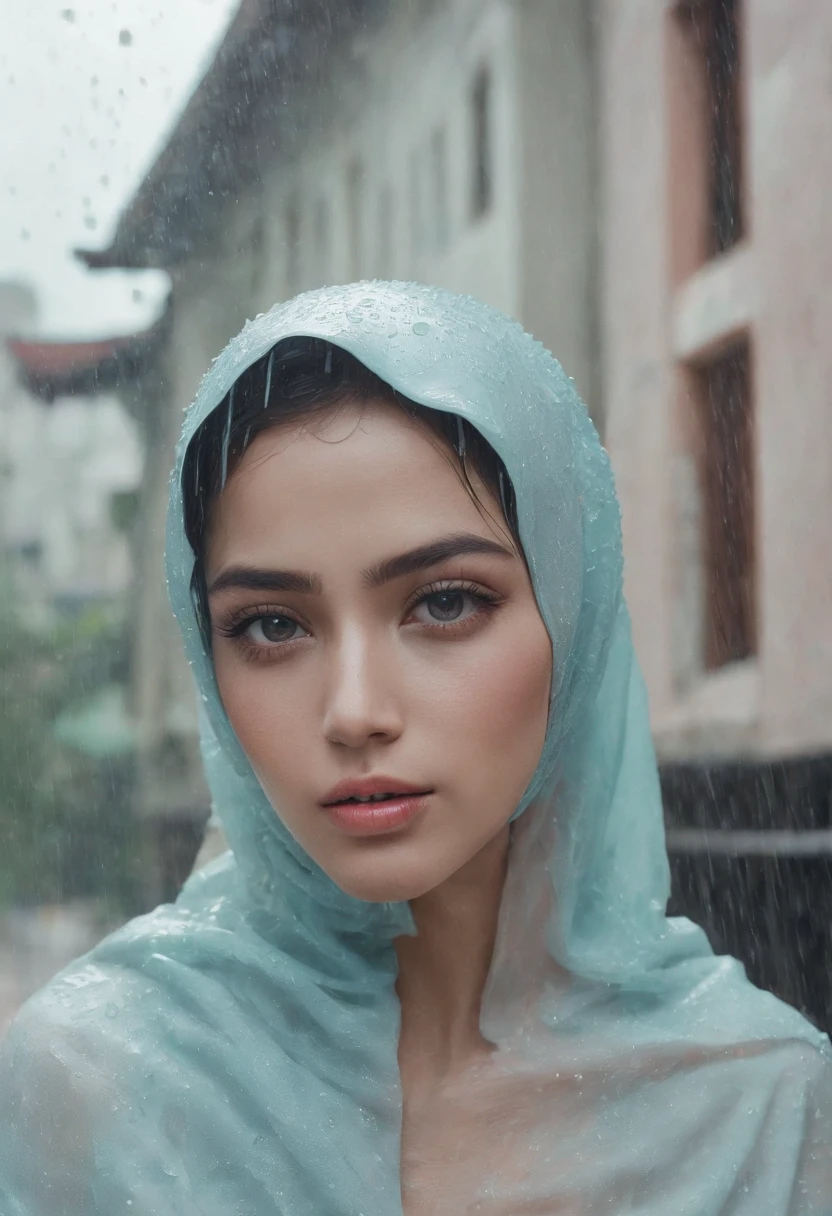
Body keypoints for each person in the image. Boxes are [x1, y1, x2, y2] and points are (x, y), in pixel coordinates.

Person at [1, 281, 830, 1215]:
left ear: (575, 614)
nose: (354, 712)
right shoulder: (93, 1084)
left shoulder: (753, 1100)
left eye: (444, 603)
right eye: (272, 624)